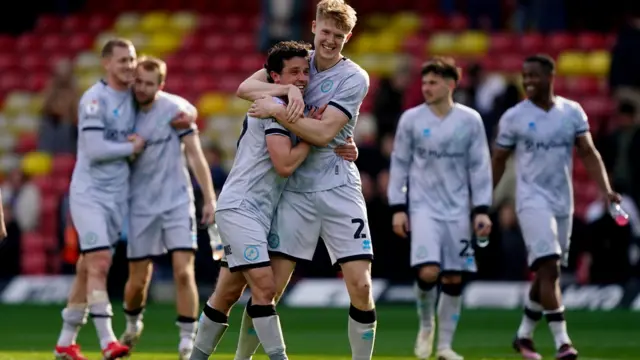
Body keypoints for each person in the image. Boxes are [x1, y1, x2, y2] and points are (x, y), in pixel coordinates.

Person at [190, 39, 359, 360]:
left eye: (304, 73)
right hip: (241, 208)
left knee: (225, 294)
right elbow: (283, 165)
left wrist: (345, 145)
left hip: (258, 212)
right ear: (274, 77)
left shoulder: (289, 109)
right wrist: (316, 140)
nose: (301, 78)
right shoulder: (270, 109)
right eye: (293, 73)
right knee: (265, 288)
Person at [236, 1, 377, 359]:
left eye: (339, 35)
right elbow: (244, 89)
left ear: (349, 37)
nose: (330, 40)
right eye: (325, 31)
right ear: (314, 27)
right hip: (295, 190)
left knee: (360, 286)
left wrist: (277, 109)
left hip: (339, 187)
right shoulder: (296, 63)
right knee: (267, 290)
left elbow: (323, 133)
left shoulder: (354, 77)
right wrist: (286, 91)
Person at [492, 54, 622, 360]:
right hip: (530, 200)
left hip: (563, 201)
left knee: (549, 274)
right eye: (525, 76)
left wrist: (606, 190)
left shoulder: (571, 112)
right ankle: (563, 342)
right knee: (548, 266)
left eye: (534, 76)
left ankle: (524, 335)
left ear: (551, 77)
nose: (528, 81)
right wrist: (486, 198)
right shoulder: (514, 117)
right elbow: (499, 158)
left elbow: (589, 153)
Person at [387, 57, 493, 360]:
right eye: (424, 82)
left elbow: (480, 167)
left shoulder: (470, 120)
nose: (426, 88)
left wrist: (481, 209)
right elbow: (400, 164)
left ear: (451, 84)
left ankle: (445, 346)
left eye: (433, 82)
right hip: (423, 208)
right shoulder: (411, 119)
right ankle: (425, 324)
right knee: (429, 270)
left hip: (458, 210)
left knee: (453, 278)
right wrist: (398, 207)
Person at [118, 56, 216, 360]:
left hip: (176, 201)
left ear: (160, 85)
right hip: (141, 205)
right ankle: (133, 324)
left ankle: (187, 343)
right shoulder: (122, 114)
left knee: (183, 271)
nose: (143, 88)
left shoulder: (176, 111)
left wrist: (210, 198)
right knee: (138, 281)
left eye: (150, 83)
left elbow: (196, 155)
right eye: (139, 82)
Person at [54, 38, 143, 360]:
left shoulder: (135, 98)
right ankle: (107, 341)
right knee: (100, 262)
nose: (129, 65)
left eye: (132, 59)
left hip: (117, 196)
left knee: (86, 266)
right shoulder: (94, 99)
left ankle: (65, 343)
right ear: (106, 63)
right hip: (89, 194)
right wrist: (130, 147)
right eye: (122, 60)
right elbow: (93, 149)